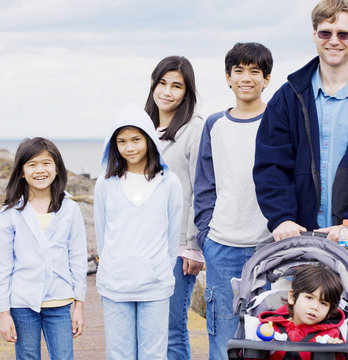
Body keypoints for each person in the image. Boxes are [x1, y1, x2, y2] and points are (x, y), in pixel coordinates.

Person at [253, 1, 348, 359]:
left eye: (343, 33)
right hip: (300, 245)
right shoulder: (288, 97)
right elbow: (270, 165)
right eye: (326, 32)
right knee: (292, 344)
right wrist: (282, 218)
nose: (334, 40)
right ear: (315, 35)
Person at [193, 42, 273, 359]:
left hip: (269, 246)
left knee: (268, 337)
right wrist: (205, 234)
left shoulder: (278, 121)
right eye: (239, 71)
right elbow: (205, 183)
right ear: (228, 77)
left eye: (255, 71)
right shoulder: (215, 124)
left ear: (267, 79)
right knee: (223, 340)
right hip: (222, 245)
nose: (246, 78)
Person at [94, 103, 183, 360]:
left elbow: (172, 236)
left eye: (136, 139)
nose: (129, 147)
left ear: (149, 140)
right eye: (121, 141)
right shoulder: (105, 183)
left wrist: (160, 270)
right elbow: (102, 233)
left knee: (154, 355)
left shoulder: (169, 183)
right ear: (114, 144)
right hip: (115, 284)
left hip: (155, 285)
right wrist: (112, 265)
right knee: (118, 354)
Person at [0, 137, 87, 360]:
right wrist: (4, 313)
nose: (40, 170)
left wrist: (79, 306)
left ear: (57, 169)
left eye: (46, 163)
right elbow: (3, 266)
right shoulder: (9, 214)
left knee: (63, 356)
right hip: (22, 303)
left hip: (60, 302)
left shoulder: (70, 209)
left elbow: (78, 258)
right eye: (32, 164)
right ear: (21, 172)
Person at [144, 55, 204, 360]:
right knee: (149, 330)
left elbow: (201, 190)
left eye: (176, 86)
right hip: (142, 245)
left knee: (172, 328)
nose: (167, 91)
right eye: (162, 83)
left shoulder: (195, 129)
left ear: (187, 91)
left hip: (177, 246)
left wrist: (193, 246)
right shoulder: (141, 127)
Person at [258, 264, 345, 360]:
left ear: (329, 311)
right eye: (309, 297)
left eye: (323, 303)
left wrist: (337, 353)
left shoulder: (331, 335)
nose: (315, 307)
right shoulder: (270, 328)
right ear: (292, 297)